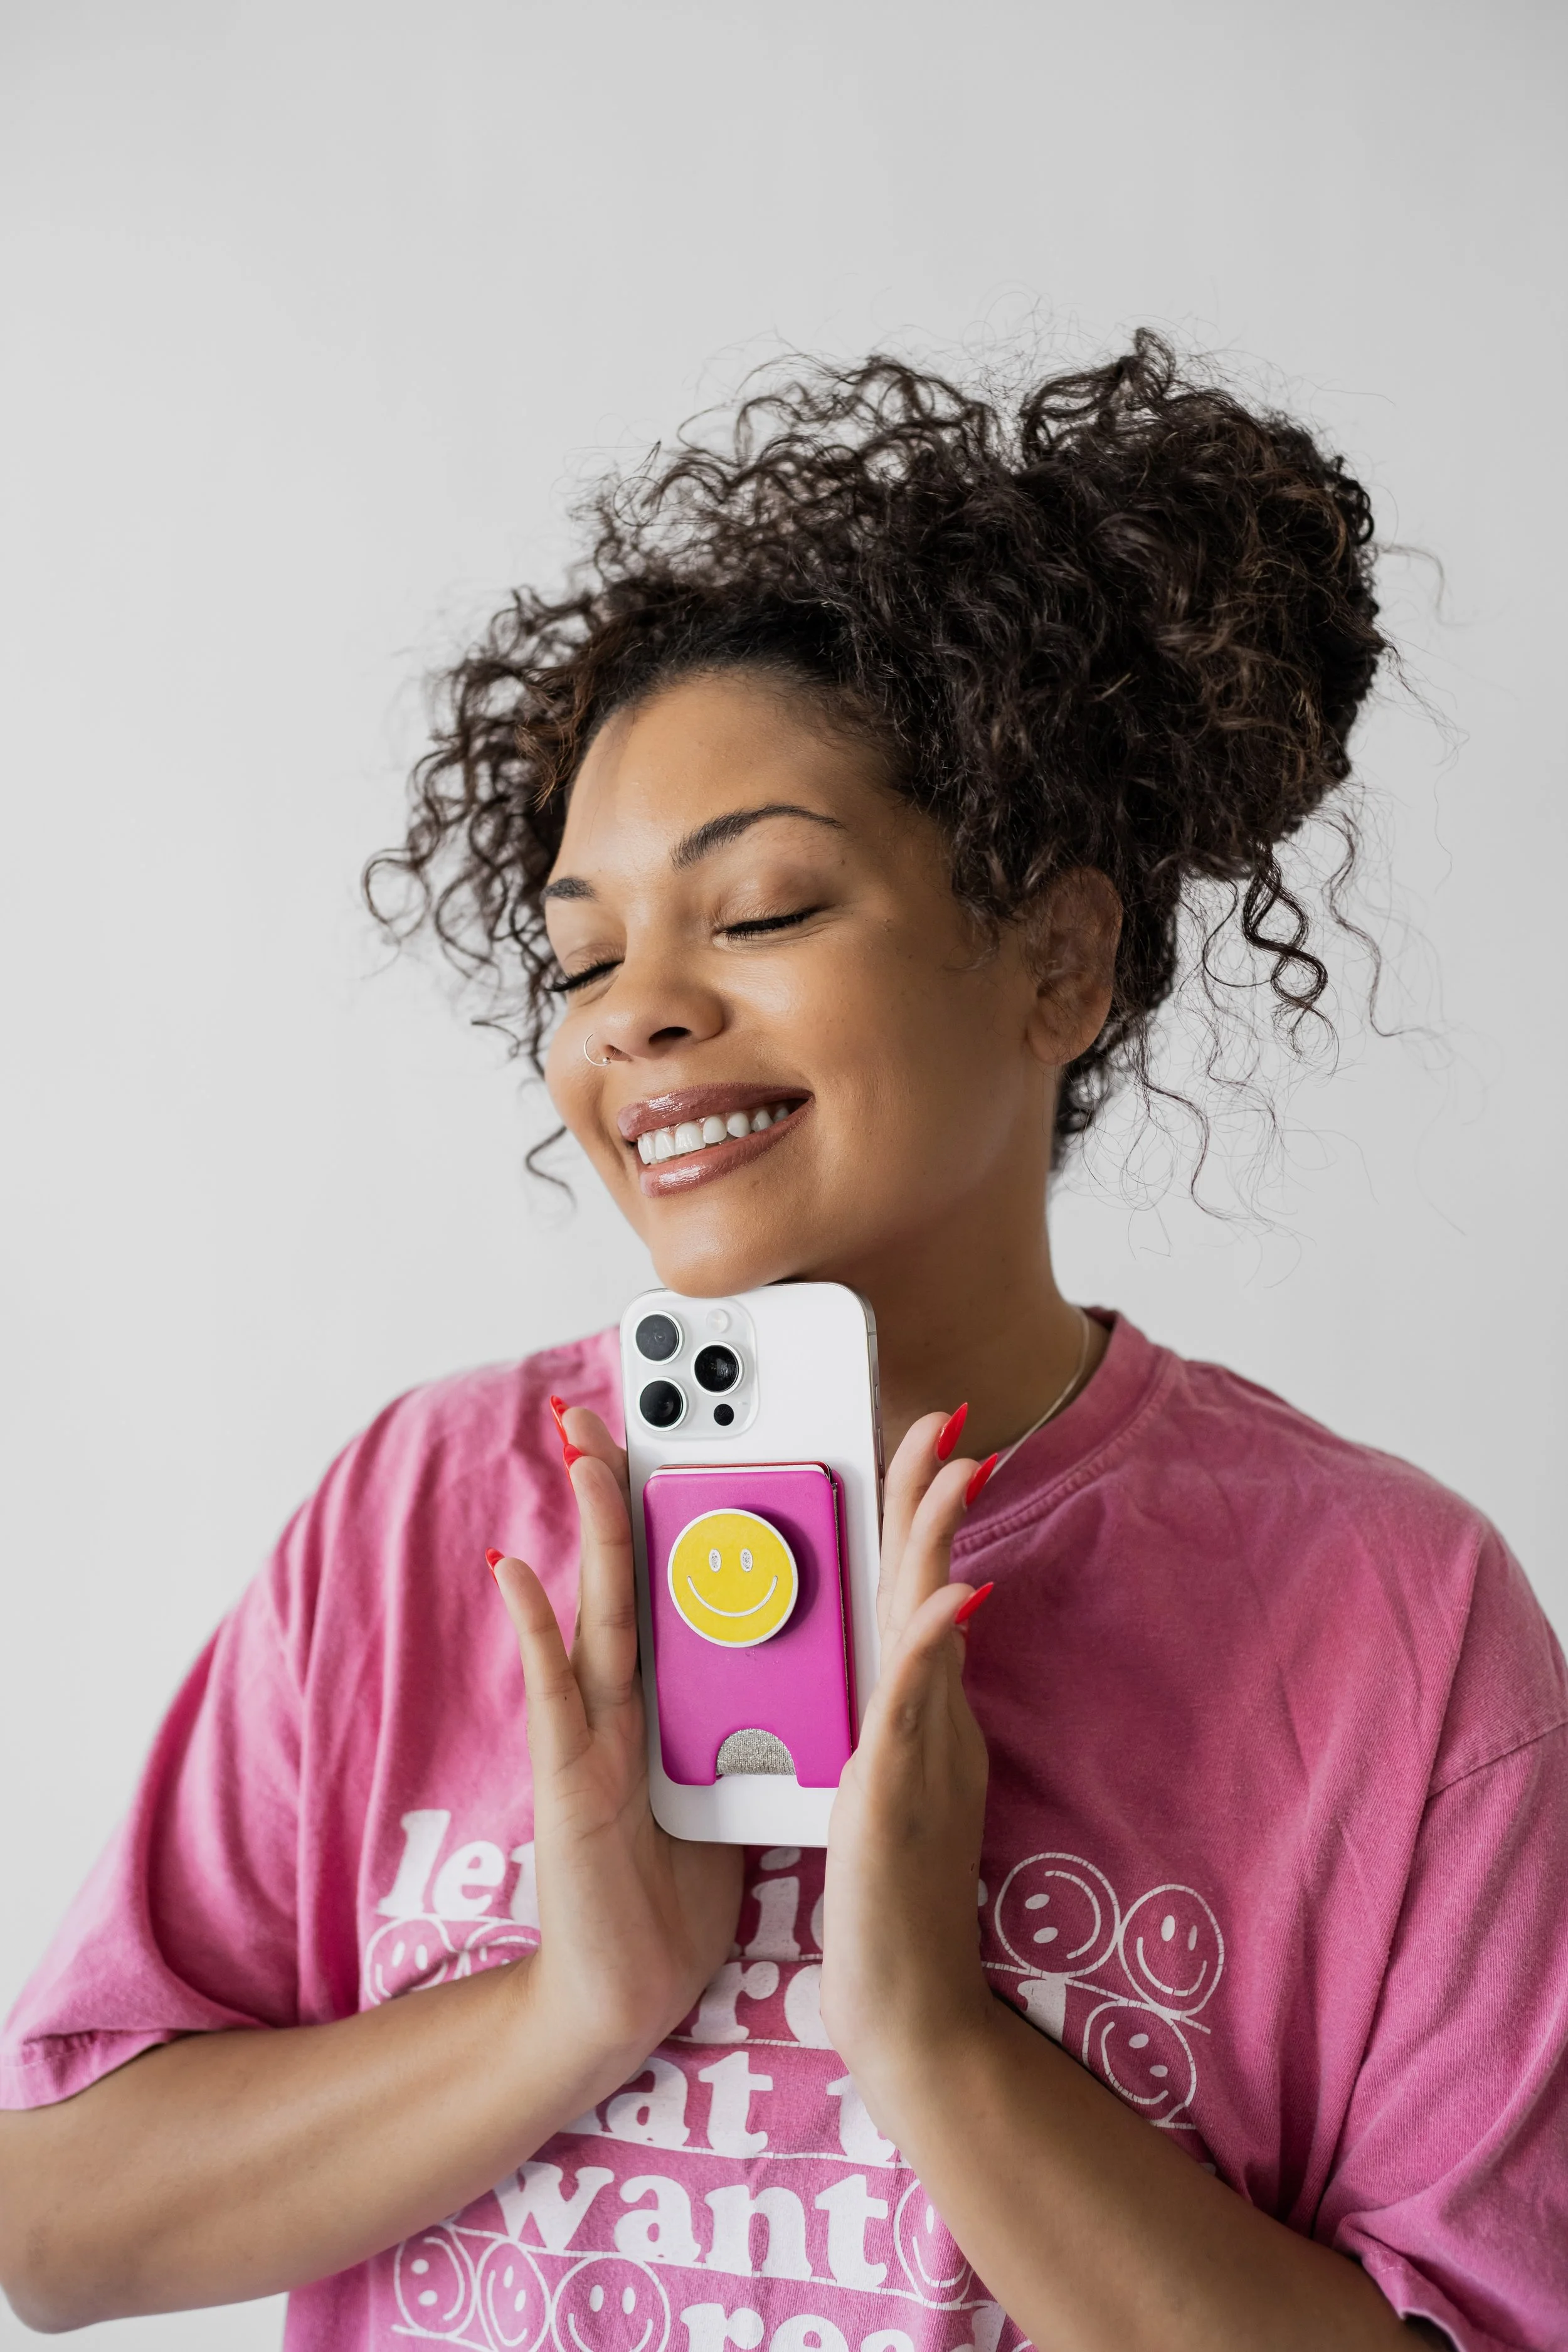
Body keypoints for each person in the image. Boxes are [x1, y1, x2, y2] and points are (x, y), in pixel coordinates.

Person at [1, 336, 1564, 2352]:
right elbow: (57, 2221)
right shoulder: (424, 1514)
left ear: (1059, 957)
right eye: (581, 952)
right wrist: (578, 1998)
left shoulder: (1391, 1624)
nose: (632, 1014)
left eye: (755, 910)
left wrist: (926, 2028)